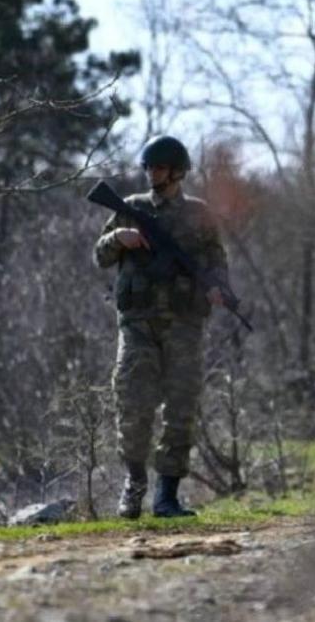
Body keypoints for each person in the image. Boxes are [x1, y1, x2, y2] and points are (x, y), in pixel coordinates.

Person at [93, 135, 229, 519]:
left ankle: (166, 496)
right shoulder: (130, 208)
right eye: (149, 167)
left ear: (178, 171)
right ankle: (134, 483)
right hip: (138, 326)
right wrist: (118, 237)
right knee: (133, 406)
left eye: (160, 168)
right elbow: (100, 256)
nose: (153, 173)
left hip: (185, 325)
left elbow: (217, 262)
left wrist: (219, 288)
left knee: (181, 409)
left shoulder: (200, 214)